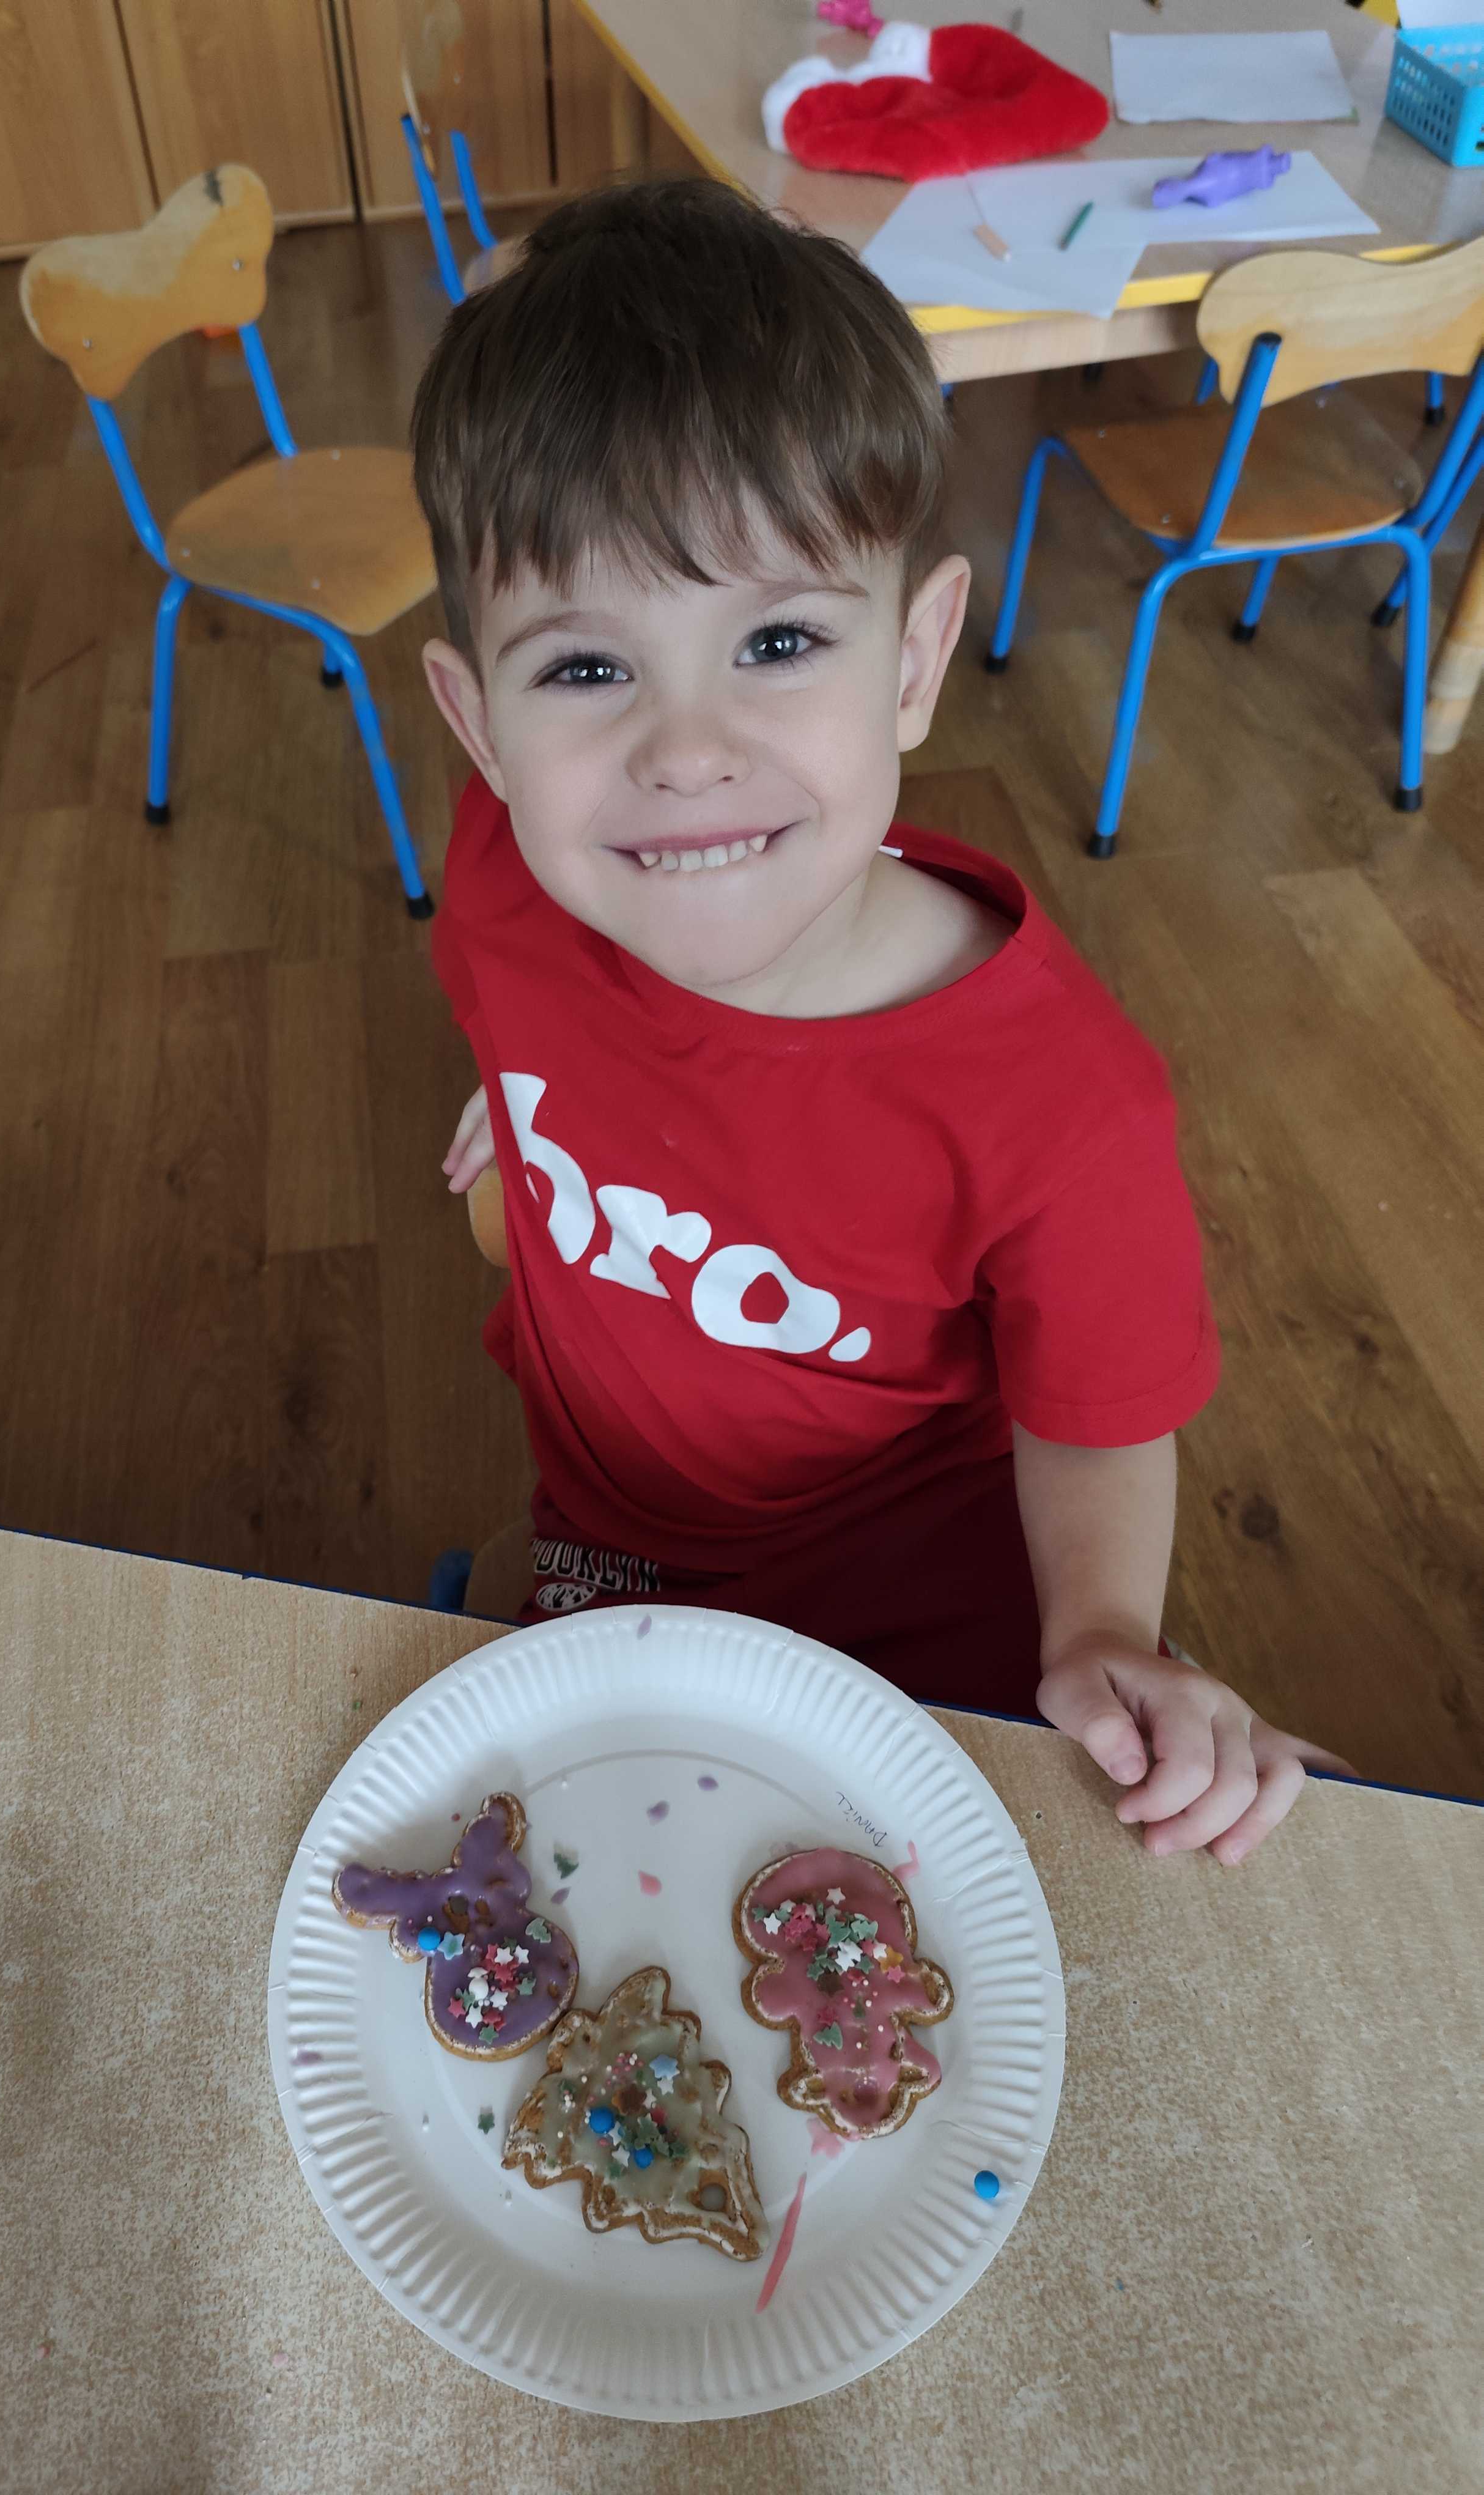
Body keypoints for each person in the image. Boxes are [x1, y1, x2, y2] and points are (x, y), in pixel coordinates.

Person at [411, 178, 1344, 1862]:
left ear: (912, 665)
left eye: (775, 640)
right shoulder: (508, 873)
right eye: (587, 670)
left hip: (920, 1671)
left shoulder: (1062, 1114)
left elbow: (1094, 1419)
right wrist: (528, 1095)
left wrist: (1106, 1633)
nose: (686, 752)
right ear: (480, 726)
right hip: (604, 1569)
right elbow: (515, 997)